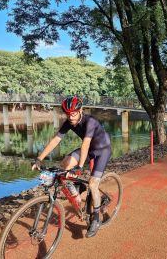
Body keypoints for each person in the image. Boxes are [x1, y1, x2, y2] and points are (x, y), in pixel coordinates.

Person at [32, 95, 111, 238]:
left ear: (81, 110)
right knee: (64, 164)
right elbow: (56, 140)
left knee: (93, 184)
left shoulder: (90, 122)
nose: (70, 117)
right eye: (67, 114)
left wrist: (80, 167)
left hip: (102, 150)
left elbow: (86, 144)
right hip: (87, 149)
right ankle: (78, 187)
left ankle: (96, 218)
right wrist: (39, 158)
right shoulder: (69, 122)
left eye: (73, 113)